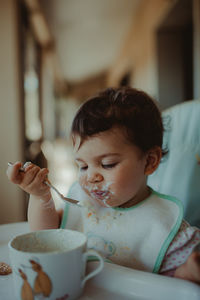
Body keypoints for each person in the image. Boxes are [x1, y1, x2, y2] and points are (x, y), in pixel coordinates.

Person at [7, 87, 200, 284]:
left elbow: (175, 282)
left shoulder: (164, 226)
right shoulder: (84, 206)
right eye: (82, 166)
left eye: (107, 164)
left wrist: (189, 272)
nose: (91, 177)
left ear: (150, 161)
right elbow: (46, 236)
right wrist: (40, 196)